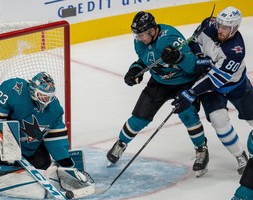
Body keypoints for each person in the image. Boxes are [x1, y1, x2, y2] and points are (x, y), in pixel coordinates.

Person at [106, 11, 209, 177]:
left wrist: (178, 57)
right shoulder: (139, 43)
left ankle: (201, 149)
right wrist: (135, 70)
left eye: (141, 34)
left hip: (183, 81)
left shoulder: (170, 37)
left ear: (152, 30)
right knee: (139, 118)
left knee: (187, 114)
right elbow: (145, 61)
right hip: (159, 82)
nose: (138, 38)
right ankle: (120, 144)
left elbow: (193, 67)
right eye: (136, 34)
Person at [0, 71, 95, 199]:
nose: (46, 100)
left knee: (43, 163)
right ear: (33, 91)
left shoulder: (54, 108)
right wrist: (10, 144)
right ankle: (6, 172)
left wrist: (65, 162)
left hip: (29, 145)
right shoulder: (13, 89)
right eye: (42, 95)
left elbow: (56, 137)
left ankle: (21, 167)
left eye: (49, 96)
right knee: (11, 162)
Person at [171, 6, 250, 176]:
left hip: (237, 86)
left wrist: (191, 93)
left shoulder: (236, 50)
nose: (220, 30)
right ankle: (241, 156)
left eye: (225, 28)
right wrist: (199, 56)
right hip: (211, 90)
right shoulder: (208, 25)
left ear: (235, 28)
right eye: (219, 25)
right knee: (219, 121)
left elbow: (215, 80)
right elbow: (192, 41)